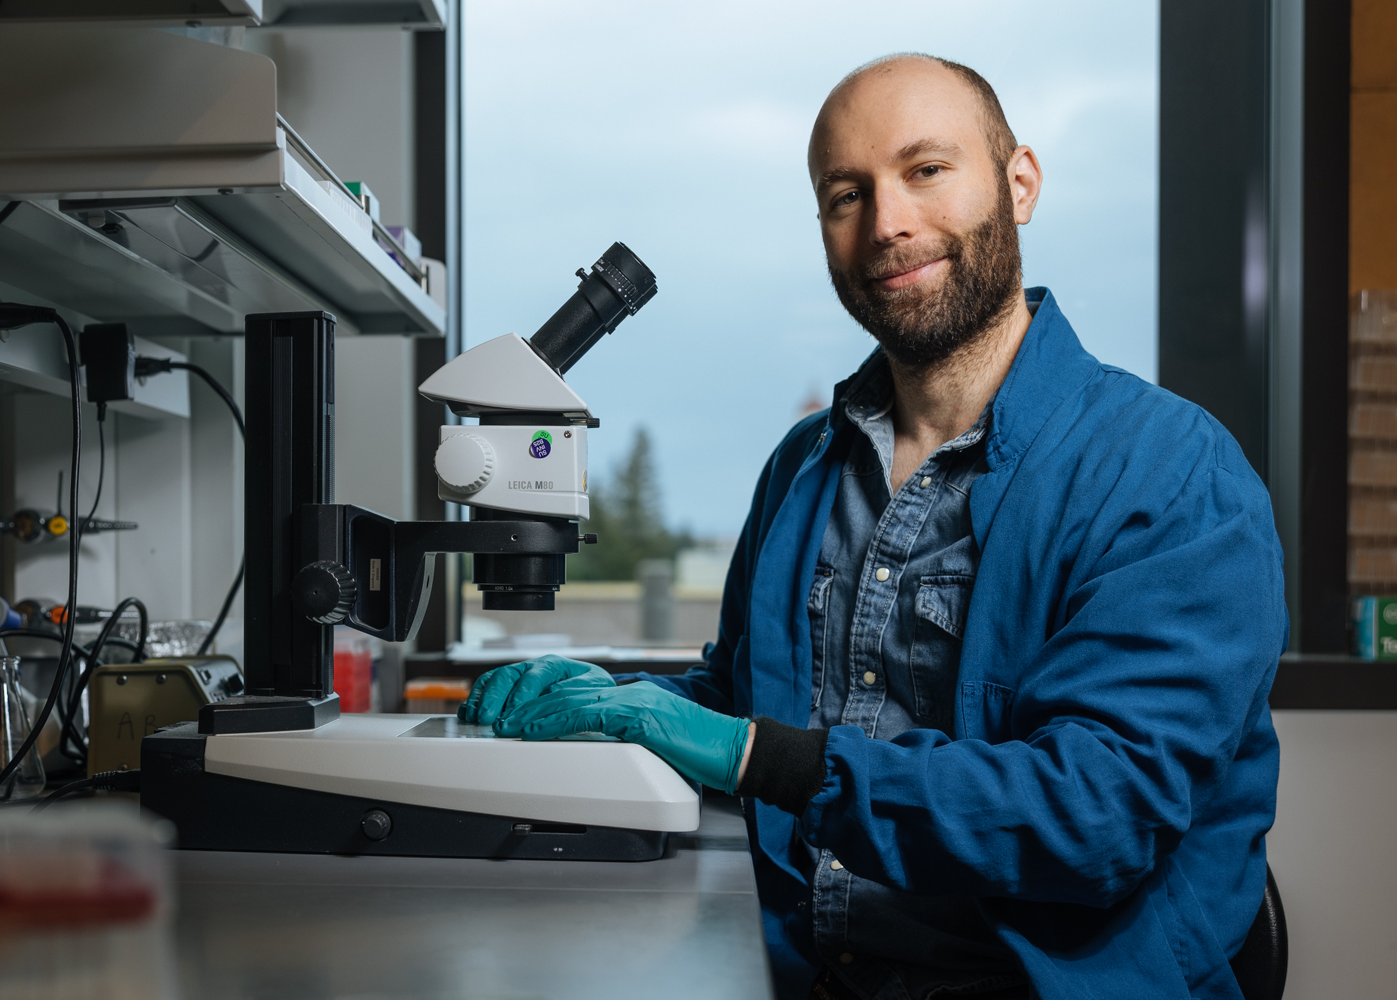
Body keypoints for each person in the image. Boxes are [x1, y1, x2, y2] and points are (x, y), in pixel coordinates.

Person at [459, 53, 1284, 1000]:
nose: (887, 224)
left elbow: (1092, 817)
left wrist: (749, 755)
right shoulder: (802, 465)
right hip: (796, 971)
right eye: (846, 195)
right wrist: (607, 703)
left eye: (926, 170)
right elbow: (747, 699)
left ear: (1019, 184)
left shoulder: (1172, 472)